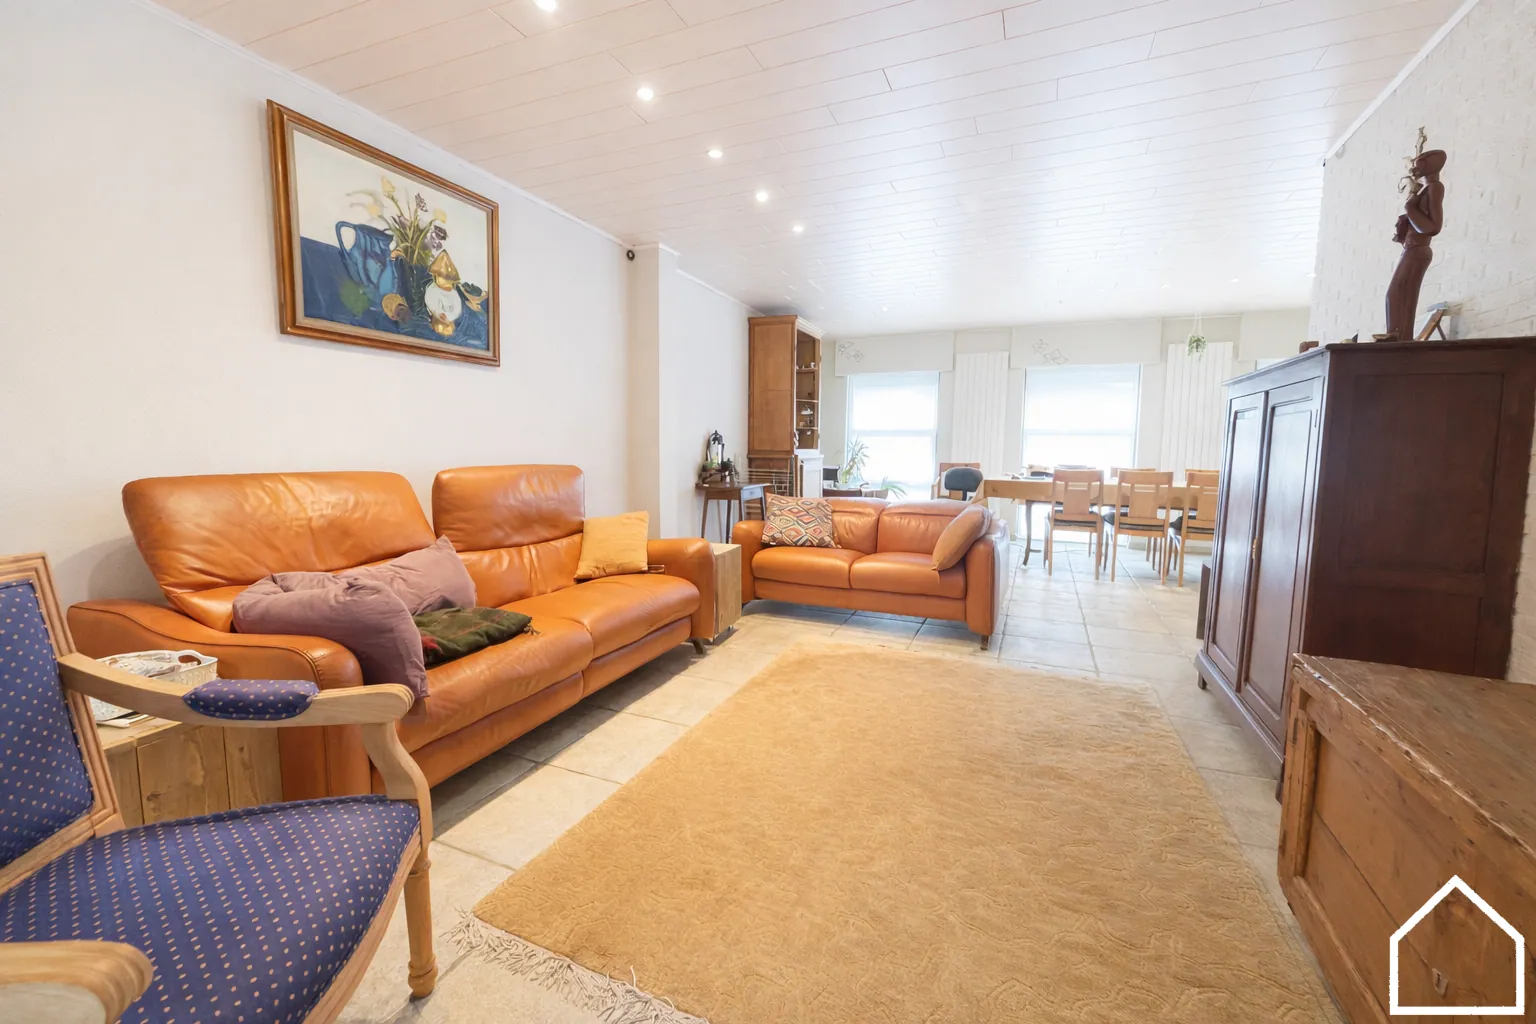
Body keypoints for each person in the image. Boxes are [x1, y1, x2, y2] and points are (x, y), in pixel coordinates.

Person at [1385, 149, 1446, 340]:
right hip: (1412, 248)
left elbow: (1432, 227)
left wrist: (1410, 208)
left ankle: (1398, 338)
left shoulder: (1435, 188)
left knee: (1397, 294)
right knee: (1401, 295)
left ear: (1431, 165)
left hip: (1417, 249)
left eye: (1418, 164)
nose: (1413, 168)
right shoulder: (1425, 189)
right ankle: (1399, 336)